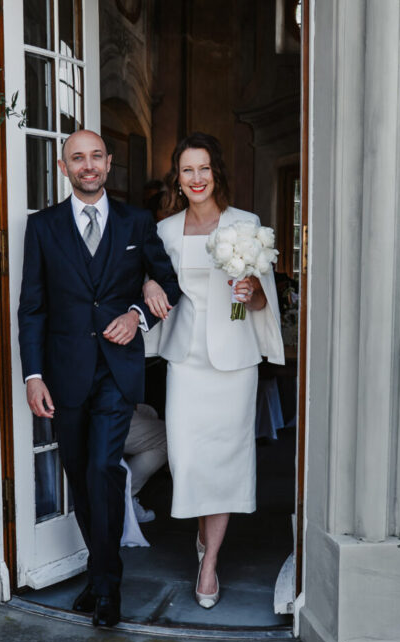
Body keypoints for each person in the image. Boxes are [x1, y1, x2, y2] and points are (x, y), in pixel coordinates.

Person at [17, 130, 181, 628]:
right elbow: (33, 307)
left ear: (108, 164)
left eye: (95, 157)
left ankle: (108, 588)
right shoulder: (43, 227)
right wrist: (32, 374)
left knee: (104, 471)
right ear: (63, 168)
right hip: (64, 374)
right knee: (81, 479)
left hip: (116, 371)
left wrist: (137, 313)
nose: (87, 166)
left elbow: (167, 283)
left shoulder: (136, 220)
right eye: (76, 159)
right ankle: (99, 569)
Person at [142, 132, 284, 608]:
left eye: (204, 168)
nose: (196, 178)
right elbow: (150, 278)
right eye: (187, 170)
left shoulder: (246, 224)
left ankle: (209, 563)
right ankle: (203, 535)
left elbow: (264, 299)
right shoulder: (165, 231)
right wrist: (147, 286)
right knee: (187, 458)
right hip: (186, 360)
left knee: (225, 460)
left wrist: (252, 293)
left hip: (234, 360)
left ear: (214, 173)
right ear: (178, 179)